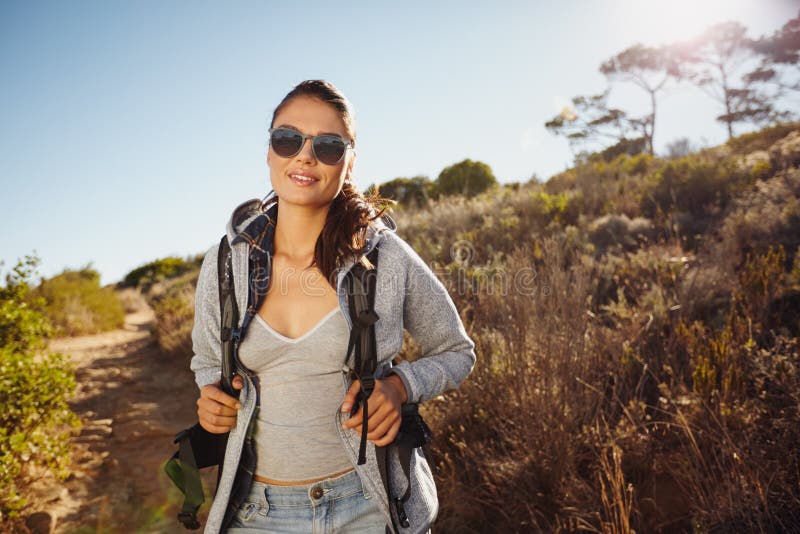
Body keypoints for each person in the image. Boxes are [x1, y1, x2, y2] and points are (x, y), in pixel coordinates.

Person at [189, 79, 476, 534]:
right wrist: (211, 397)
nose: (304, 156)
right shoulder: (226, 263)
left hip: (366, 506)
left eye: (327, 146)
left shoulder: (385, 257)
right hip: (256, 513)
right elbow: (207, 360)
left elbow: (457, 351)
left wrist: (401, 386)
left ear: (350, 161)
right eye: (288, 140)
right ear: (269, 152)